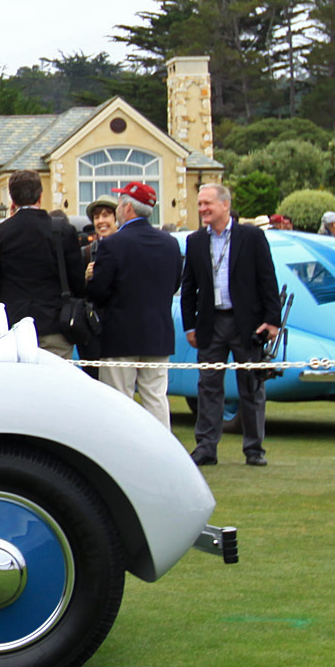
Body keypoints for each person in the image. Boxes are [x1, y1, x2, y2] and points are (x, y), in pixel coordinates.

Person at [182, 183, 282, 467]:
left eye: (207, 204)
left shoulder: (251, 237)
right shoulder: (195, 241)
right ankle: (206, 448)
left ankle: (254, 449)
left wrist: (271, 320)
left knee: (251, 386)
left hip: (246, 323)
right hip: (211, 324)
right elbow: (188, 288)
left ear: (225, 205)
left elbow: (267, 279)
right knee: (208, 387)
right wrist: (190, 326)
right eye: (200, 204)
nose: (202, 209)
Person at [85, 183, 183, 427]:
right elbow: (174, 285)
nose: (118, 208)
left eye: (119, 205)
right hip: (157, 332)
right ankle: (161, 453)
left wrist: (90, 279)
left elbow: (99, 292)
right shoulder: (170, 244)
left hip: (120, 333)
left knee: (119, 399)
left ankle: (121, 454)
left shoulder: (114, 244)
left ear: (127, 208)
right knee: (156, 398)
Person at [0, 169, 84, 360]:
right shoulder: (62, 230)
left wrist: (7, 305)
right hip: (55, 321)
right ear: (41, 196)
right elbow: (76, 281)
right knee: (57, 385)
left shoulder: (0, 233)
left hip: (15, 323)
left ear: (12, 198)